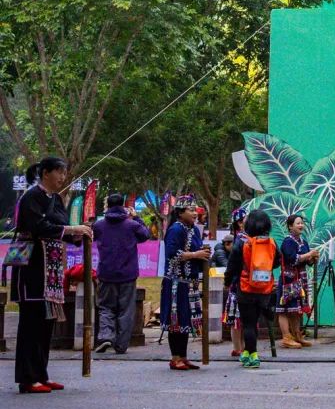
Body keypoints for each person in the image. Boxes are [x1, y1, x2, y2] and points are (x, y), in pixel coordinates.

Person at [11, 157, 92, 394]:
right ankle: (27, 378)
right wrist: (70, 230)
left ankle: (41, 374)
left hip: (53, 270)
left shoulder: (56, 199)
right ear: (45, 173)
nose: (62, 178)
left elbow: (61, 228)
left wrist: (78, 234)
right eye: (59, 173)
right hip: (32, 268)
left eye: (64, 174)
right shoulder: (30, 197)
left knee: (46, 324)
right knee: (31, 324)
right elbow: (39, 228)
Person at [93, 193, 151, 354]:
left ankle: (105, 336)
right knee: (126, 310)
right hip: (128, 274)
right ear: (123, 206)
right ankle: (121, 345)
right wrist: (136, 217)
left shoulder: (99, 225)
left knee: (105, 307)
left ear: (107, 206)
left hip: (106, 273)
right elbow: (145, 235)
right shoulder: (131, 225)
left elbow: (90, 237)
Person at [224, 210, 281, 368]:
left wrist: (228, 281)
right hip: (264, 289)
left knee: (248, 323)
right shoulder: (271, 242)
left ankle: (253, 355)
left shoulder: (242, 242)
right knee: (254, 321)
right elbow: (277, 261)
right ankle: (247, 352)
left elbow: (232, 265)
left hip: (246, 287)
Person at [161, 195, 211, 371]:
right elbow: (172, 255)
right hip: (176, 282)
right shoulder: (175, 229)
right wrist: (196, 255)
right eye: (191, 210)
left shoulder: (194, 230)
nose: (195, 213)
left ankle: (183, 356)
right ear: (180, 213)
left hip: (189, 282)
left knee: (185, 321)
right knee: (176, 322)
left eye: (195, 210)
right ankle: (175, 357)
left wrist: (203, 252)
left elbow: (196, 250)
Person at [277, 214, 318, 349]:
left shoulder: (303, 241)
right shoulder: (288, 241)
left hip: (300, 279)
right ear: (290, 226)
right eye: (297, 223)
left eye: (302, 223)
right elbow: (291, 259)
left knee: (296, 309)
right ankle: (286, 337)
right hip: (289, 279)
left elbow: (307, 261)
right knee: (284, 309)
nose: (301, 225)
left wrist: (313, 259)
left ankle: (297, 335)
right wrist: (308, 255)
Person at [221, 209, 246, 357]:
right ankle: (237, 347)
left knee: (242, 319)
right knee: (237, 319)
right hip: (238, 283)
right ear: (239, 223)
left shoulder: (245, 238)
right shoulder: (240, 239)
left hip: (243, 282)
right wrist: (228, 280)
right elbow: (232, 264)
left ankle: (241, 346)